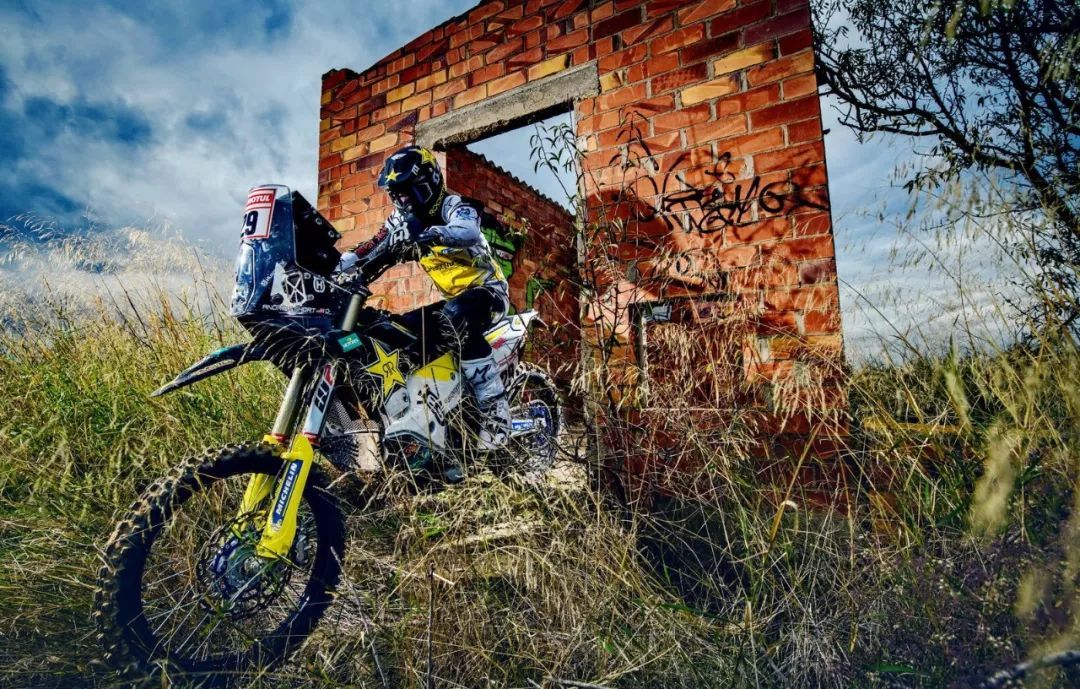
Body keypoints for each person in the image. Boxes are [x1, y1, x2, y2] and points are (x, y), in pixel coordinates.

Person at [336, 145, 511, 451]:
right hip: (451, 302)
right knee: (392, 330)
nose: (404, 200)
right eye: (397, 195)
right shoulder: (399, 221)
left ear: (430, 182)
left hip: (488, 293)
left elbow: (467, 231)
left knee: (455, 317)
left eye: (409, 191)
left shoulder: (454, 205)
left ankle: (495, 409)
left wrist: (429, 234)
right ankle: (421, 420)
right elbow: (373, 245)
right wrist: (340, 266)